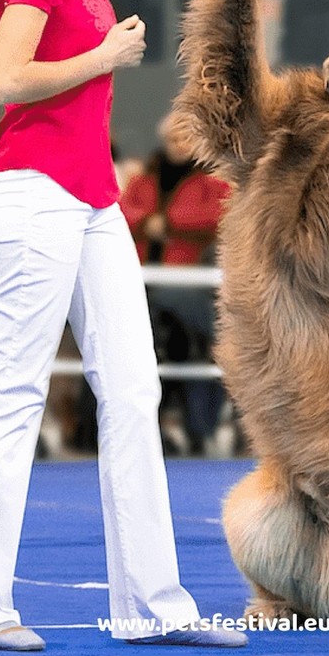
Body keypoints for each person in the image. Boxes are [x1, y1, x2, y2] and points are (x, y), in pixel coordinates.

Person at [0, 0, 266, 651]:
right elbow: (7, 83)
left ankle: (152, 607)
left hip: (87, 201)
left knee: (134, 389)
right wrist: (105, 56)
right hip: (37, 193)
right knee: (14, 390)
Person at [121, 114, 231, 455]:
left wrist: (166, 223)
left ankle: (195, 427)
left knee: (193, 343)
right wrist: (147, 222)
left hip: (187, 282)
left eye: (186, 138)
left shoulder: (212, 180)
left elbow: (220, 215)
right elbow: (121, 211)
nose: (179, 145)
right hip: (140, 278)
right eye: (174, 138)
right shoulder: (143, 180)